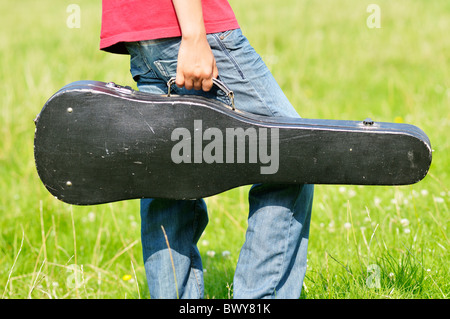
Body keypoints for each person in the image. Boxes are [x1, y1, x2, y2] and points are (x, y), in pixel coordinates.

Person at [100, 0, 314, 299]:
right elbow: (298, 154)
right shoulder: (193, 34)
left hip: (140, 31)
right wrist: (194, 35)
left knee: (169, 175)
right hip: (190, 28)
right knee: (298, 152)